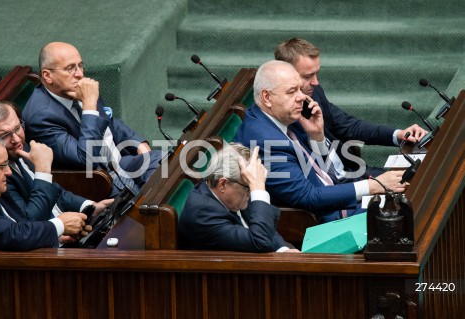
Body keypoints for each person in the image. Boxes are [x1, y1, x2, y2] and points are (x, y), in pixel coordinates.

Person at [235, 60, 408, 223]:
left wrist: (317, 137)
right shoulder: (265, 141)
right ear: (267, 97)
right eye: (291, 91)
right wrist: (372, 186)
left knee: (410, 190)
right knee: (406, 213)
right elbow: (309, 197)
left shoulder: (282, 117)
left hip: (337, 197)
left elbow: (325, 174)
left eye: (299, 89)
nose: (301, 97)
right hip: (328, 219)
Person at [22, 42, 161, 197]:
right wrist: (89, 105)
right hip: (98, 181)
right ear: (48, 75)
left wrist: (138, 144)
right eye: (70, 68)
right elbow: (86, 159)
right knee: (148, 204)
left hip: (118, 163)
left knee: (164, 163)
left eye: (80, 66)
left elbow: (109, 121)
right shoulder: (42, 117)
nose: (80, 74)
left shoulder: (77, 87)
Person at [274, 37, 428, 178]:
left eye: (316, 73)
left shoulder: (314, 93)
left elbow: (348, 126)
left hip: (353, 173)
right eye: (307, 76)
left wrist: (399, 134)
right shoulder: (280, 118)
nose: (316, 82)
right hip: (335, 189)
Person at [0, 99, 113, 222]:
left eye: (17, 128)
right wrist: (43, 171)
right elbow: (29, 221)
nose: (17, 140)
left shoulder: (20, 148)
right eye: (4, 135)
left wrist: (90, 207)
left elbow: (52, 190)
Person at [178, 143, 299, 253]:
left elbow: (261, 223)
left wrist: (282, 250)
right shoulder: (203, 214)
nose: (251, 193)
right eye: (248, 187)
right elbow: (260, 241)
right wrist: (258, 188)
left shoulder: (237, 189)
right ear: (223, 184)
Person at [0, 134, 90, 251]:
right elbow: (15, 235)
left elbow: (24, 224)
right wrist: (60, 224)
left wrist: (56, 237)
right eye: (2, 166)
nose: (9, 172)